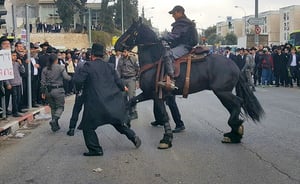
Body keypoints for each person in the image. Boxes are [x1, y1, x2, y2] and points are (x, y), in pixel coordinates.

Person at [73, 43, 141, 156]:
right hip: (111, 102)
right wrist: (123, 90)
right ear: (103, 55)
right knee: (118, 123)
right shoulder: (109, 66)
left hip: (94, 104)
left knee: (88, 126)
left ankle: (96, 149)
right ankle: (133, 136)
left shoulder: (88, 66)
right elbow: (119, 83)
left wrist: (79, 90)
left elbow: (79, 81)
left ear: (92, 55)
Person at [159, 5, 198, 90]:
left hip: (184, 46)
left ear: (180, 12)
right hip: (181, 45)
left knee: (168, 54)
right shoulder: (183, 23)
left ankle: (171, 80)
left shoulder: (182, 23)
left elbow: (175, 36)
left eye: (174, 13)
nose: (172, 15)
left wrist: (162, 36)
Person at [40, 54, 72, 132]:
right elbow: (66, 77)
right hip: (58, 90)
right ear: (56, 60)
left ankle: (55, 125)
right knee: (60, 107)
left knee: (53, 107)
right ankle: (54, 120)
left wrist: (43, 92)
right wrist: (72, 78)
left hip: (48, 90)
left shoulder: (45, 69)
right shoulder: (61, 67)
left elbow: (42, 82)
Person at [66, 51, 91, 136]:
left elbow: (75, 78)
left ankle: (72, 128)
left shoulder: (80, 65)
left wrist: (76, 90)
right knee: (88, 110)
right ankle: (86, 126)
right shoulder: (94, 66)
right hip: (90, 91)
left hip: (80, 90)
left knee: (76, 109)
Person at [117, 48, 139, 120]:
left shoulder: (133, 59)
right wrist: (118, 81)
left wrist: (137, 80)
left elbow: (138, 69)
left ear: (128, 52)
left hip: (131, 78)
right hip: (123, 79)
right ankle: (126, 110)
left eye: (125, 51)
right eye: (122, 52)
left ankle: (133, 111)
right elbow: (118, 70)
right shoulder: (120, 60)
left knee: (131, 96)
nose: (123, 53)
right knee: (123, 96)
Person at [4, 51, 25, 117]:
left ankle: (16, 110)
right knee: (14, 98)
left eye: (15, 55)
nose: (14, 57)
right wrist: (7, 83)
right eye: (13, 55)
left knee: (18, 98)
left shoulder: (17, 64)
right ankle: (14, 112)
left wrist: (21, 64)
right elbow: (5, 75)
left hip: (18, 82)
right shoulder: (6, 64)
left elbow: (23, 71)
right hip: (11, 84)